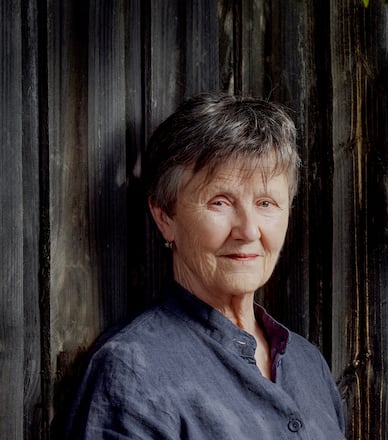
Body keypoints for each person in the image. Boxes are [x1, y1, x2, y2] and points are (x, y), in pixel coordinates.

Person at [65, 93, 346, 439]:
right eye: (220, 201)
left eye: (266, 202)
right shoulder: (133, 372)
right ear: (165, 217)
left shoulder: (308, 365)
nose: (248, 230)